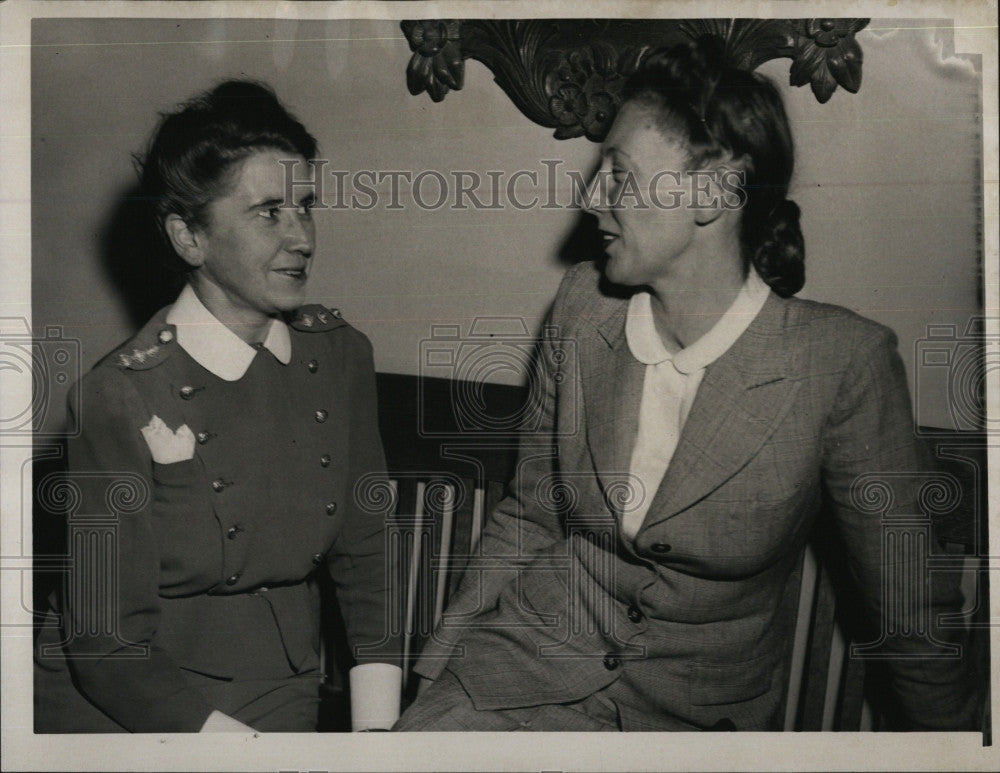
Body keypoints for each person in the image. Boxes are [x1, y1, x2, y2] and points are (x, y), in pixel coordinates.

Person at [395, 38, 982, 731]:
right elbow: (529, 515)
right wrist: (430, 685)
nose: (591, 198)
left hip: (689, 725)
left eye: (618, 173)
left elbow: (910, 614)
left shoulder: (841, 365)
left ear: (715, 191)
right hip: (515, 674)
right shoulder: (582, 306)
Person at [34, 80, 398, 732]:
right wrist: (232, 748)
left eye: (305, 207)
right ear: (189, 238)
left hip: (280, 680)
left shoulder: (340, 358)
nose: (302, 237)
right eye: (268, 212)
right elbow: (106, 645)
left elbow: (366, 559)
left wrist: (378, 737)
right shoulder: (117, 396)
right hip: (131, 701)